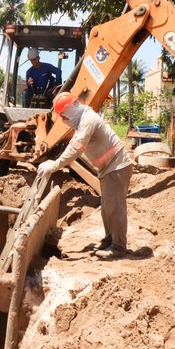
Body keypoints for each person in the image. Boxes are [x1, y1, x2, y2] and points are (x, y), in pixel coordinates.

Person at [37, 92, 134, 260]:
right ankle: (110, 240)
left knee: (115, 208)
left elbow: (76, 147)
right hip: (108, 169)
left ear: (70, 109)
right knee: (107, 208)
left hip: (117, 167)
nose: (63, 119)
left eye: (63, 115)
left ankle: (118, 247)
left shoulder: (88, 119)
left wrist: (55, 165)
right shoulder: (83, 119)